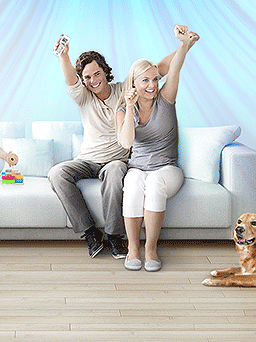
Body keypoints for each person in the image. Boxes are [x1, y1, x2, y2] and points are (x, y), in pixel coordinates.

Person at [48, 34, 177, 259]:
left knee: (116, 171)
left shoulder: (123, 91)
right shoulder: (83, 97)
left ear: (105, 72)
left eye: (97, 73)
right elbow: (70, 79)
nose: (93, 80)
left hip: (116, 161)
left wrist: (184, 47)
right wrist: (63, 56)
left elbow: (157, 70)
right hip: (87, 160)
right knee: (56, 173)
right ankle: (90, 233)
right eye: (87, 77)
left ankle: (115, 236)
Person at [116, 25, 199, 272]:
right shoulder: (123, 110)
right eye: (145, 80)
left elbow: (175, 69)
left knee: (154, 183)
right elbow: (126, 143)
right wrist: (129, 108)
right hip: (138, 168)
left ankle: (151, 249)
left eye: (155, 79)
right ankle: (133, 248)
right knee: (132, 183)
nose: (152, 85)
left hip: (167, 169)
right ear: (134, 83)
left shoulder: (166, 99)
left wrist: (183, 45)